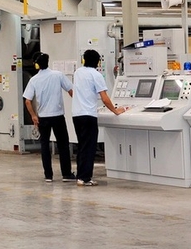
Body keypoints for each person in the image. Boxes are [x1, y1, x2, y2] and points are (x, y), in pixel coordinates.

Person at [71, 49, 124, 187]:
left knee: (82, 146)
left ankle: (80, 176)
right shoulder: (96, 75)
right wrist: (115, 111)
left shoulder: (77, 73)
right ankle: (85, 178)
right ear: (98, 62)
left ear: (84, 60)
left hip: (76, 114)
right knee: (89, 147)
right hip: (89, 114)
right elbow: (105, 98)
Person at [23, 52, 75, 183]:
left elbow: (27, 101)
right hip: (58, 116)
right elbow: (71, 91)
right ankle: (66, 174)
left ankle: (48, 175)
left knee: (44, 145)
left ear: (36, 65)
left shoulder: (34, 80)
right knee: (63, 144)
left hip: (43, 118)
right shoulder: (58, 75)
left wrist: (34, 116)